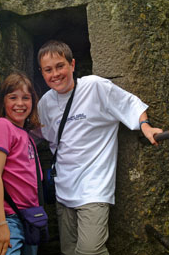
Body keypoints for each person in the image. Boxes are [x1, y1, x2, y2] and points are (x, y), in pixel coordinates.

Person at [35, 40, 163, 255]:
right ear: (42, 73)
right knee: (68, 251)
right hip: (63, 189)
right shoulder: (45, 103)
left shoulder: (94, 87)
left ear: (72, 64)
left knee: (89, 251)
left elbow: (130, 104)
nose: (55, 74)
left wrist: (146, 126)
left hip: (93, 188)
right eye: (48, 70)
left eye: (60, 66)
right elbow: (37, 136)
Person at [0, 72, 42, 255]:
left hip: (29, 219)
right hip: (8, 218)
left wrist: (4, 100)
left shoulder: (25, 133)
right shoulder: (1, 126)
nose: (20, 104)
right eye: (13, 98)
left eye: (26, 98)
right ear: (3, 101)